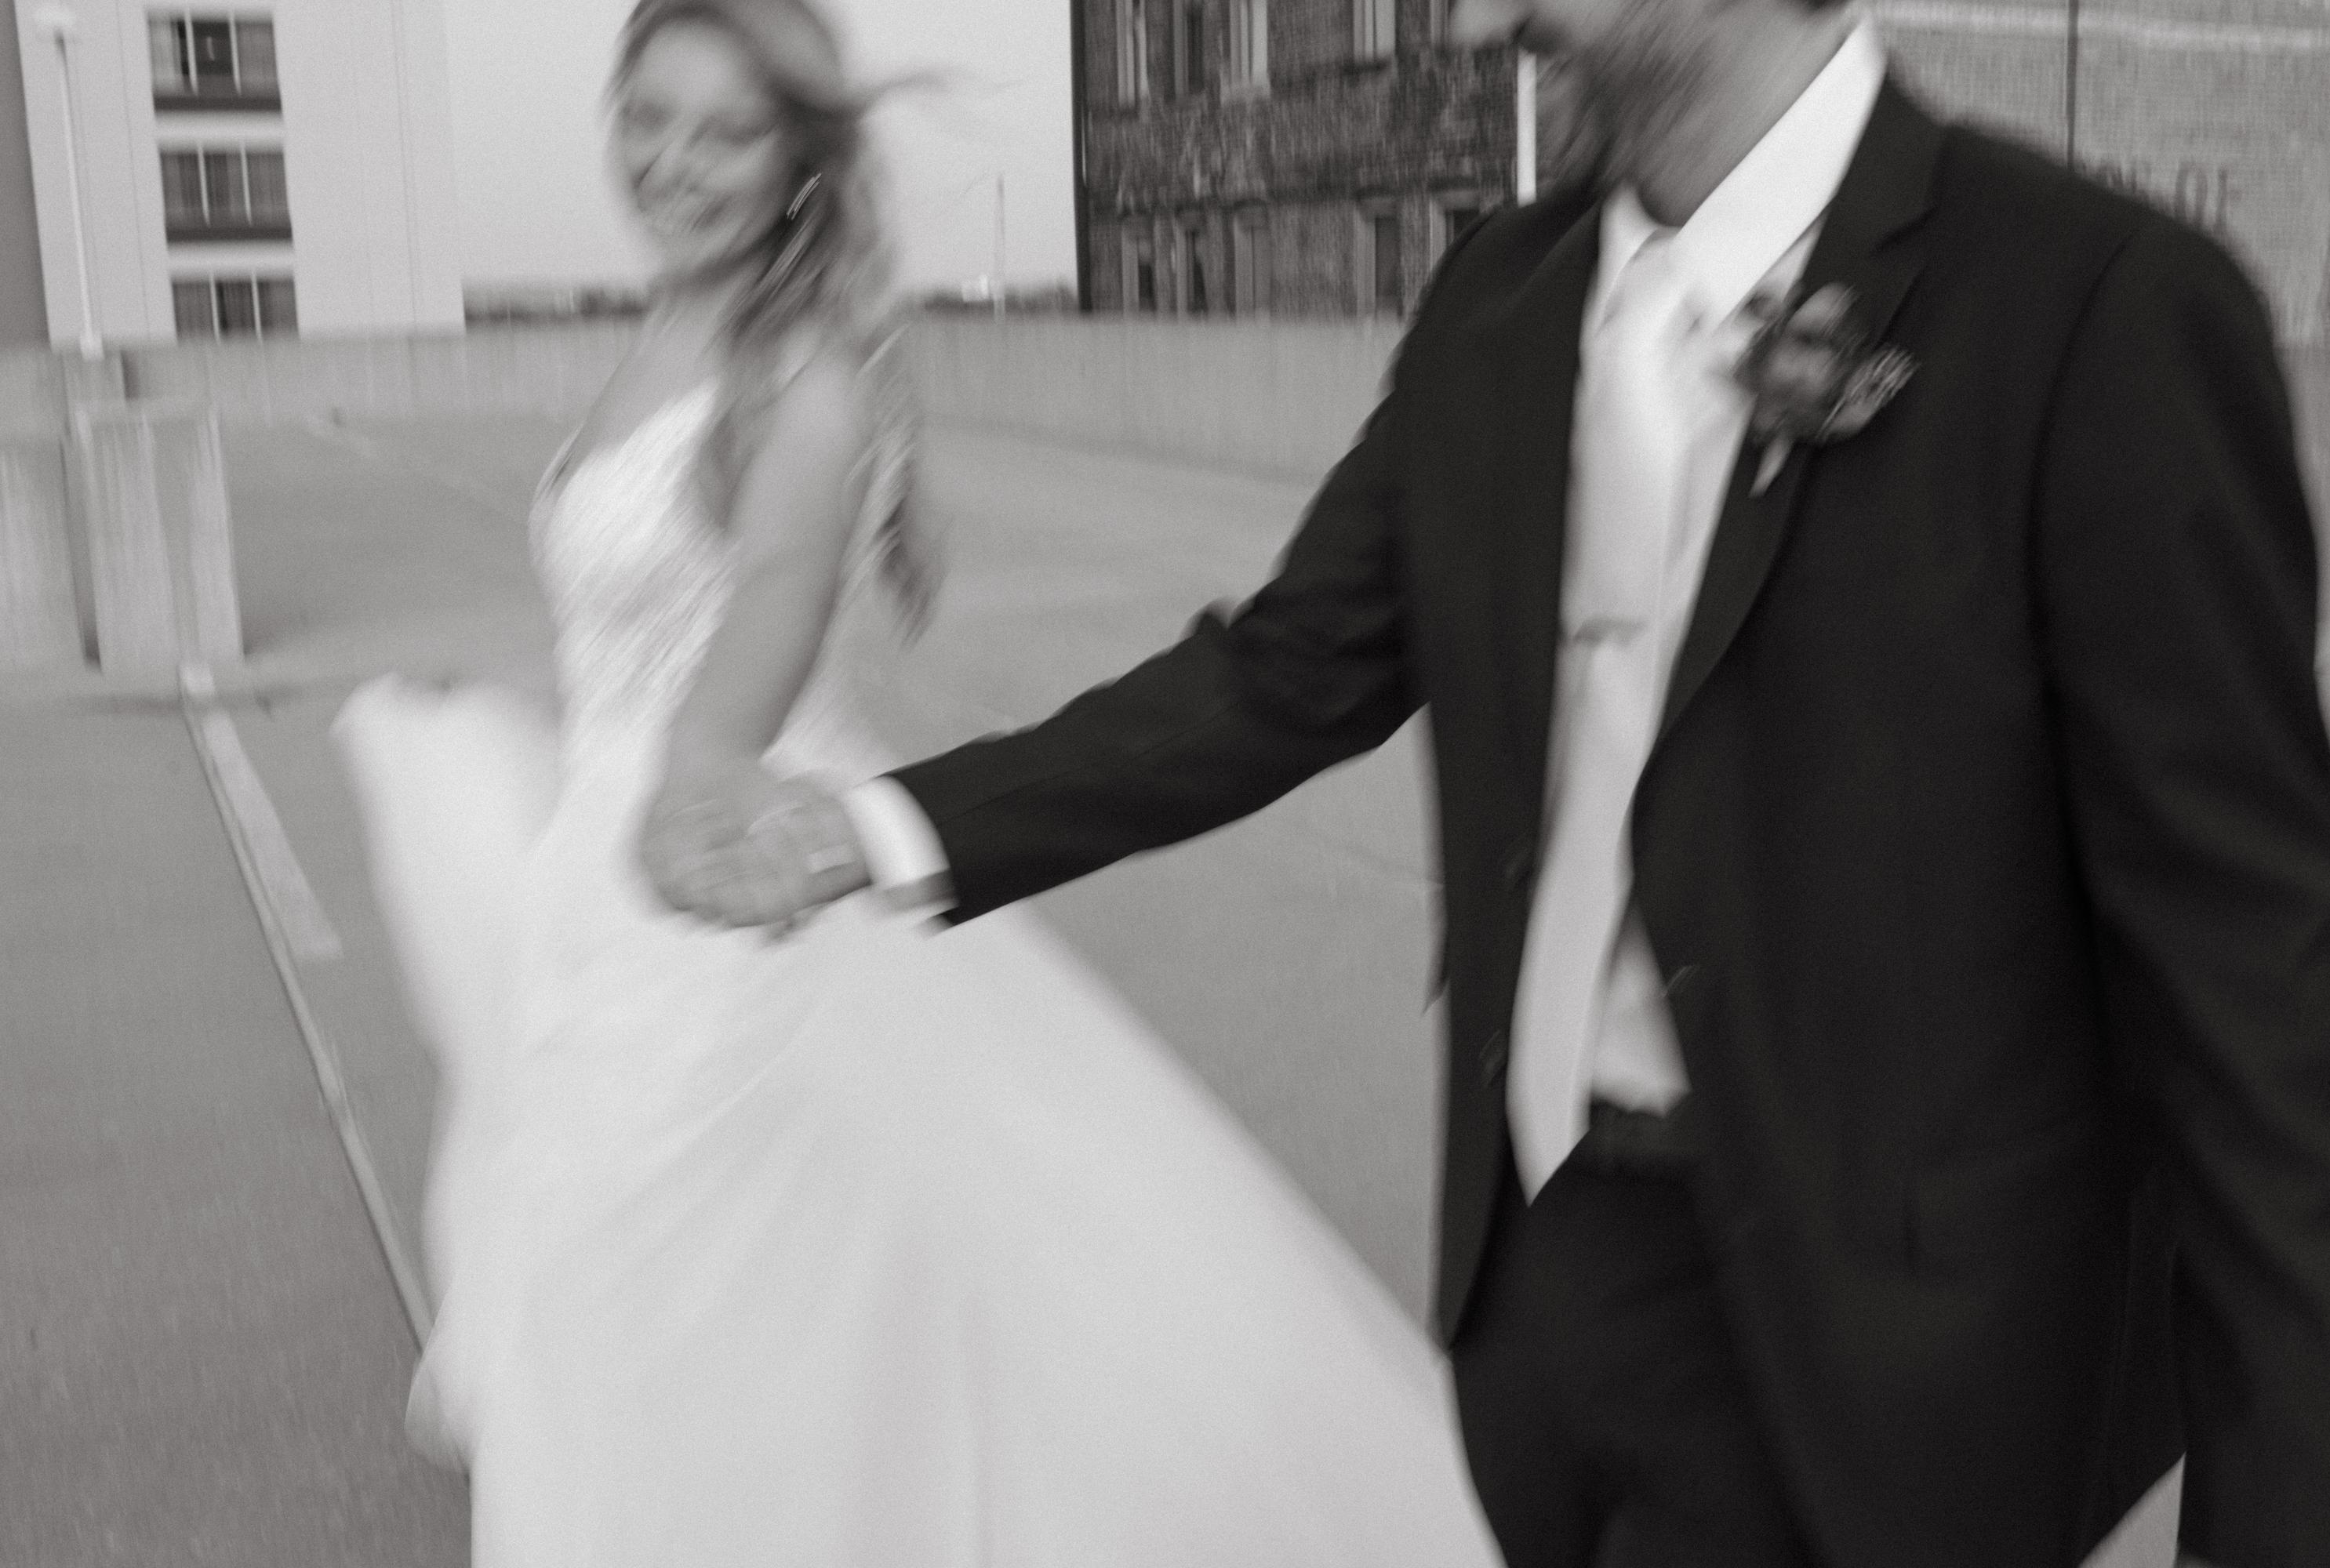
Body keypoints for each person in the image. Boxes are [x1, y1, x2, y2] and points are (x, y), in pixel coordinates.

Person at [667, 0, 2330, 1564]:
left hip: (1897, 1370)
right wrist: (872, 827)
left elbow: (2261, 1003)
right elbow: (1284, 674)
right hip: (1545, 1294)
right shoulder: (1500, 295)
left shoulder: (2095, 306)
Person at [331, 2, 1510, 1564]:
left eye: (726, 133)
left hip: (721, 900)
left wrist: (690, 783)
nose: (673, 162)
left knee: (712, 1302)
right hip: (596, 883)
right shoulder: (658, 335)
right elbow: (628, 638)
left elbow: (765, 615)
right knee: (664, 1315)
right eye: (649, 116)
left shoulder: (806, 384)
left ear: (802, 166)